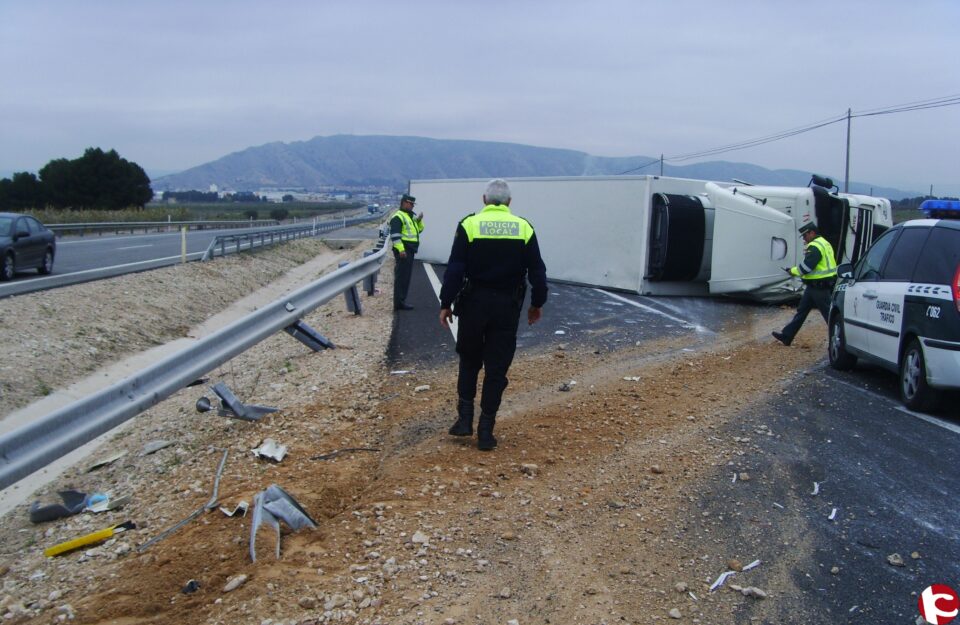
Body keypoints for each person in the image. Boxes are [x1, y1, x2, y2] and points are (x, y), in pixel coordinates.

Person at [438, 179, 548, 451]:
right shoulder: (524, 227)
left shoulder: (469, 225)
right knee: (496, 369)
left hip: (474, 303)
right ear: (509, 202)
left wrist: (446, 302)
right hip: (506, 308)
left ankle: (464, 421)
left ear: (484, 199)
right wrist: (537, 303)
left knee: (469, 360)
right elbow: (538, 272)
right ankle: (486, 431)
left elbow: (455, 269)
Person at [772, 221, 837, 346]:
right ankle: (787, 336)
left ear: (812, 233)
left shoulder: (814, 246)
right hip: (816, 286)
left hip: (819, 287)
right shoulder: (825, 243)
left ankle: (842, 337)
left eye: (805, 236)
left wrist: (792, 271)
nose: (804, 239)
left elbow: (807, 268)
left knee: (829, 315)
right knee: (801, 311)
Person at [390, 193, 424, 311]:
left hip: (409, 250)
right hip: (404, 251)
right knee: (402, 277)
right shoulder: (398, 217)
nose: (412, 206)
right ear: (404, 202)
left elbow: (419, 230)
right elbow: (395, 235)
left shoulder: (409, 216)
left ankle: (401, 301)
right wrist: (401, 249)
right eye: (410, 204)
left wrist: (419, 221)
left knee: (406, 277)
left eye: (413, 204)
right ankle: (399, 303)